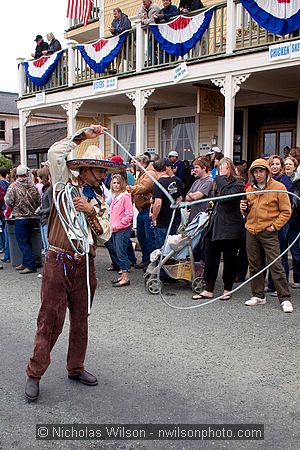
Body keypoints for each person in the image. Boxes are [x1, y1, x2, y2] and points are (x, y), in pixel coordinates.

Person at [25, 125, 121, 401]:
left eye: (106, 172)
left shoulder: (100, 198)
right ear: (86, 169)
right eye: (100, 171)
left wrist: (91, 212)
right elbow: (56, 151)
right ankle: (34, 373)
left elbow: (105, 231)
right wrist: (82, 136)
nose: (104, 176)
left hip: (84, 261)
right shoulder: (63, 183)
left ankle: (75, 367)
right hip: (58, 260)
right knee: (49, 320)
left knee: (81, 319)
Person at [240, 158, 293, 313]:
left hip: (268, 231)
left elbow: (286, 211)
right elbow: (247, 211)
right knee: (254, 264)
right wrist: (243, 209)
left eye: (261, 171)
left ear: (267, 171)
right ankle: (258, 295)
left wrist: (274, 227)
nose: (258, 174)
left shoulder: (279, 187)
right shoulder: (250, 189)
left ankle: (285, 298)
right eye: (255, 171)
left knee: (276, 265)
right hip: (251, 230)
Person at [192, 157, 245, 301]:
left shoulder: (238, 184)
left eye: (225, 168)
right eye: (220, 168)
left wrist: (220, 179)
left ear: (232, 169)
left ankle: (227, 288)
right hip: (215, 225)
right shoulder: (217, 185)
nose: (221, 171)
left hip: (230, 227)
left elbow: (227, 197)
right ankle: (208, 289)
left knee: (229, 259)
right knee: (210, 257)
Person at [5, 165, 40, 274]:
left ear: (17, 174)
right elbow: (38, 201)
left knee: (22, 242)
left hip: (20, 218)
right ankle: (25, 262)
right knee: (28, 241)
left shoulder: (14, 186)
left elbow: (8, 201)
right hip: (32, 217)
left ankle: (30, 265)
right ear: (26, 173)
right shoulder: (32, 186)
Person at [266, 155, 292, 293]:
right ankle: (271, 284)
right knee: (270, 255)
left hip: (281, 222)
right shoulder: (267, 181)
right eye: (272, 164)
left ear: (281, 166)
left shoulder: (284, 181)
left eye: (277, 164)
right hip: (268, 221)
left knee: (280, 254)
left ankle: (281, 286)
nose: (275, 166)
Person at [127, 154, 158, 269]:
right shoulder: (143, 173)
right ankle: (146, 259)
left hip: (147, 208)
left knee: (149, 237)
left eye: (135, 162)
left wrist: (127, 188)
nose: (133, 164)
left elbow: (143, 187)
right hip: (141, 210)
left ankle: (151, 261)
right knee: (141, 236)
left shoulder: (150, 173)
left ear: (141, 162)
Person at [151, 157, 182, 248]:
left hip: (162, 221)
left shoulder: (159, 183)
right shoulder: (174, 181)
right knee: (172, 247)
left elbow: (158, 203)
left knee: (162, 248)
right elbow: (179, 198)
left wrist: (153, 218)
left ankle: (162, 262)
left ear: (155, 170)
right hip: (173, 218)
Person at [109, 174, 134, 287]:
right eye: (114, 183)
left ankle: (125, 277)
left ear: (122, 184)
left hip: (122, 229)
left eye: (118, 183)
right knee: (118, 252)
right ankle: (123, 274)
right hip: (114, 229)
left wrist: (118, 225)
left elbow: (129, 214)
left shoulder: (125, 197)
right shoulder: (115, 197)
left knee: (121, 253)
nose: (116, 185)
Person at [185, 157, 213, 222]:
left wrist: (191, 194)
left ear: (204, 168)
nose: (194, 170)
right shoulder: (196, 182)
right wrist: (192, 195)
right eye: (194, 168)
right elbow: (186, 198)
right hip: (193, 218)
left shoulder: (209, 181)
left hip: (202, 220)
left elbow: (196, 196)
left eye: (197, 167)